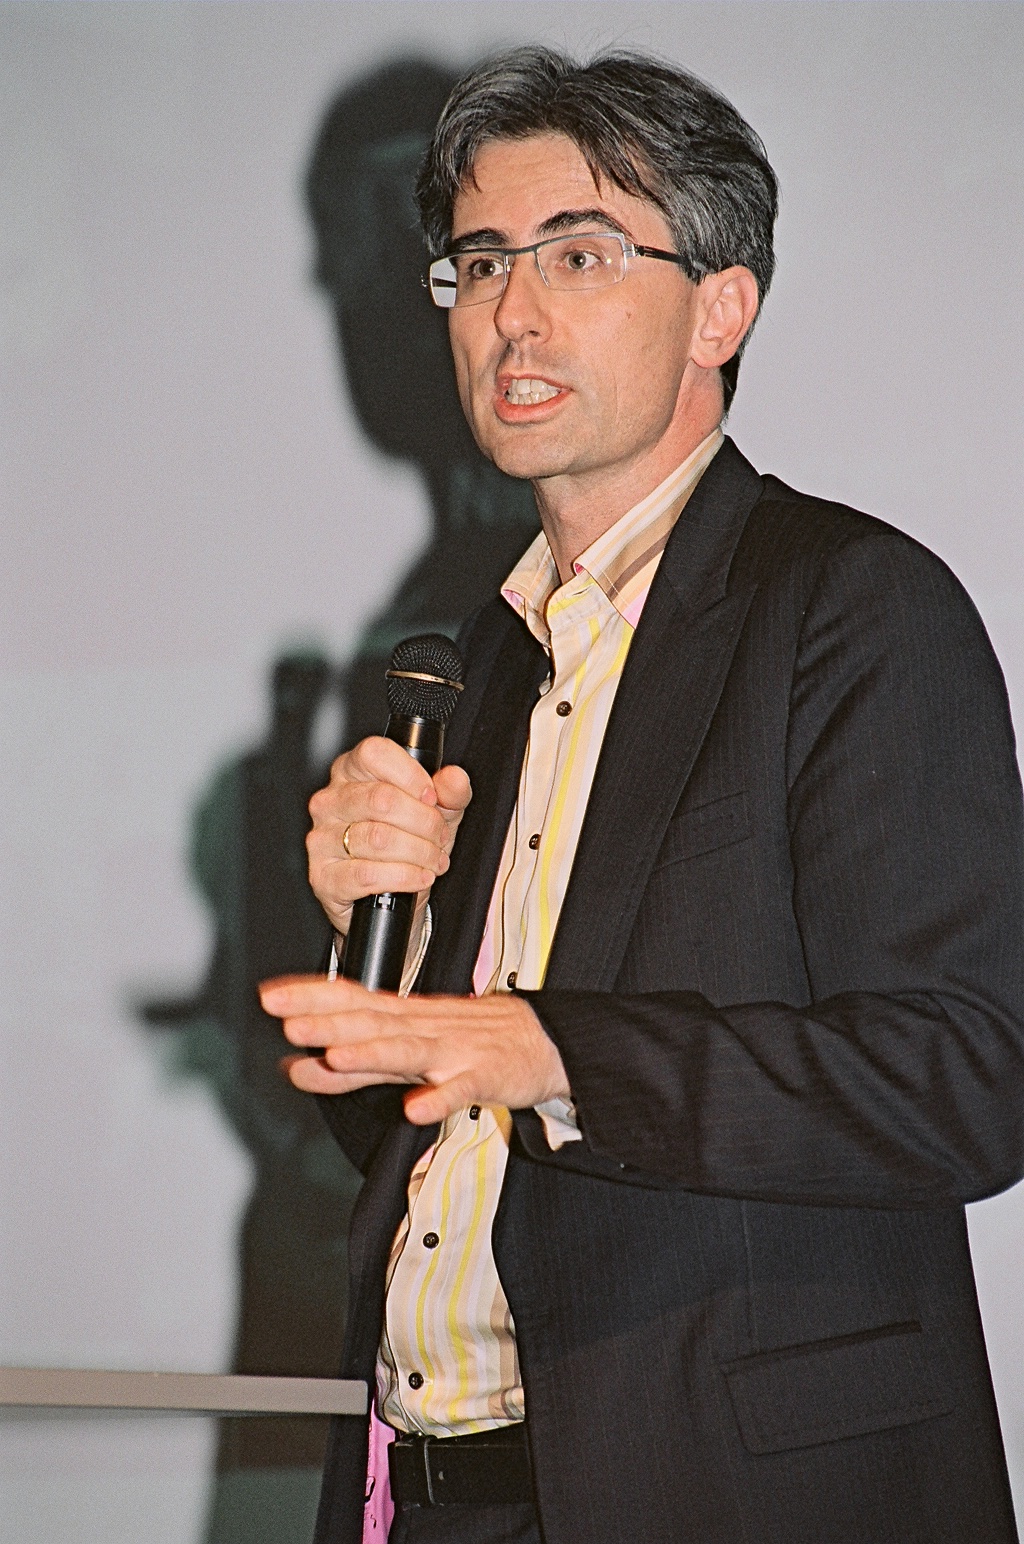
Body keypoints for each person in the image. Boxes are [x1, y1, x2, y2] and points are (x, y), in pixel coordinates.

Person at [260, 47, 1024, 1544]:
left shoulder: (853, 607)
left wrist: (545, 1046)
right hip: (443, 1493)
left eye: (581, 254)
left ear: (720, 308)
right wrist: (378, 956)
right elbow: (422, 1147)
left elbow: (963, 1078)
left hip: (732, 1494)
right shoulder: (482, 661)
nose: (512, 312)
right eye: (481, 262)